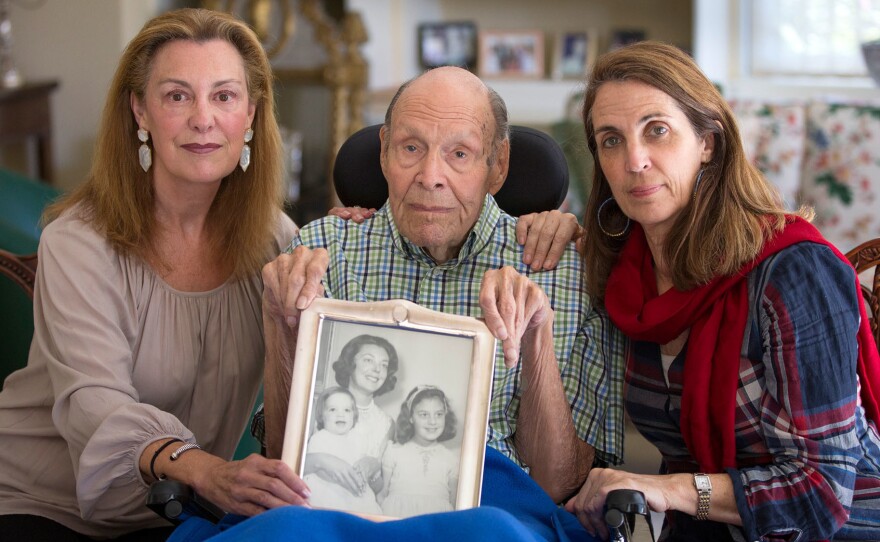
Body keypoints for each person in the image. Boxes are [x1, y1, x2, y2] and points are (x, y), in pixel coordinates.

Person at [0, 9, 312, 540]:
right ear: (139, 111)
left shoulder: (276, 241)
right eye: (176, 95)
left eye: (224, 96)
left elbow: (316, 375)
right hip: (44, 502)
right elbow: (96, 404)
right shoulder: (78, 242)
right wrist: (207, 470)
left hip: (186, 509)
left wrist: (354, 236)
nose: (203, 119)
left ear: (252, 115)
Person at [557, 41, 880, 541]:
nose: (634, 160)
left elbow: (823, 493)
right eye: (611, 140)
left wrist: (671, 489)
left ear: (707, 141)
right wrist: (543, 229)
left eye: (656, 130)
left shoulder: (794, 274)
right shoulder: (621, 277)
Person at [261, 65, 626, 505]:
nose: (430, 175)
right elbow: (284, 454)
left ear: (498, 165)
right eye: (411, 147)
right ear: (383, 153)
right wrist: (278, 320)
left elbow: (559, 484)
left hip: (496, 516)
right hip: (340, 509)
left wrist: (536, 337)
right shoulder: (322, 253)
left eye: (459, 154)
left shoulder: (564, 270)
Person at [304, 334, 399, 500]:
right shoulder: (317, 404)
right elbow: (289, 464)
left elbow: (379, 490)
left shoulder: (386, 423)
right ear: (350, 363)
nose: (377, 369)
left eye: (384, 365)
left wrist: (374, 470)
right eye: (368, 360)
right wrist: (321, 460)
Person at [379, 385, 459, 518]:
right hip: (397, 519)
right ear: (411, 417)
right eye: (424, 415)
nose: (432, 421)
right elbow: (382, 493)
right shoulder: (394, 452)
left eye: (439, 414)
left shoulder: (451, 459)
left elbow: (455, 501)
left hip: (435, 523)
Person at [303, 386, 382, 516]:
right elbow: (320, 471)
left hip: (358, 494)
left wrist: (369, 467)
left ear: (354, 416)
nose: (341, 414)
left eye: (347, 410)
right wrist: (345, 478)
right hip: (330, 493)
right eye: (332, 409)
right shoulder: (320, 438)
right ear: (322, 416)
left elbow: (373, 475)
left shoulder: (359, 439)